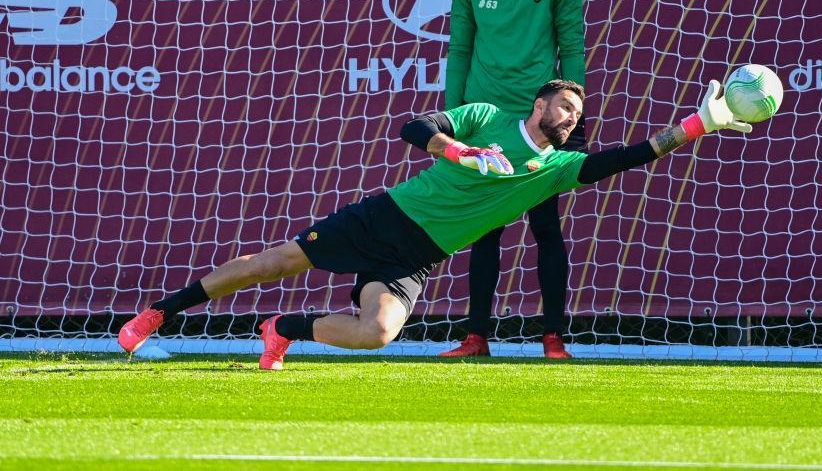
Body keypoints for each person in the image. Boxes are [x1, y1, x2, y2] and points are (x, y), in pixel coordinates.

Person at [117, 79, 752, 370]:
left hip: (418, 256)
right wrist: (461, 150)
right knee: (269, 265)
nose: (570, 116)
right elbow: (414, 126)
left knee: (378, 334)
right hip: (384, 217)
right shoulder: (487, 116)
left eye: (576, 112)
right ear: (539, 103)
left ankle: (281, 327)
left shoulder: (558, 167)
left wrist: (699, 126)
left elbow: (626, 156)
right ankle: (159, 312)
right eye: (563, 104)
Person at [442, 0, 586, 358]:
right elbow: (459, 49)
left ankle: (553, 337)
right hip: (485, 121)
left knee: (546, 228)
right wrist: (453, 116)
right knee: (485, 231)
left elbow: (573, 49)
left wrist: (574, 113)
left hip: (539, 122)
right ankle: (476, 336)